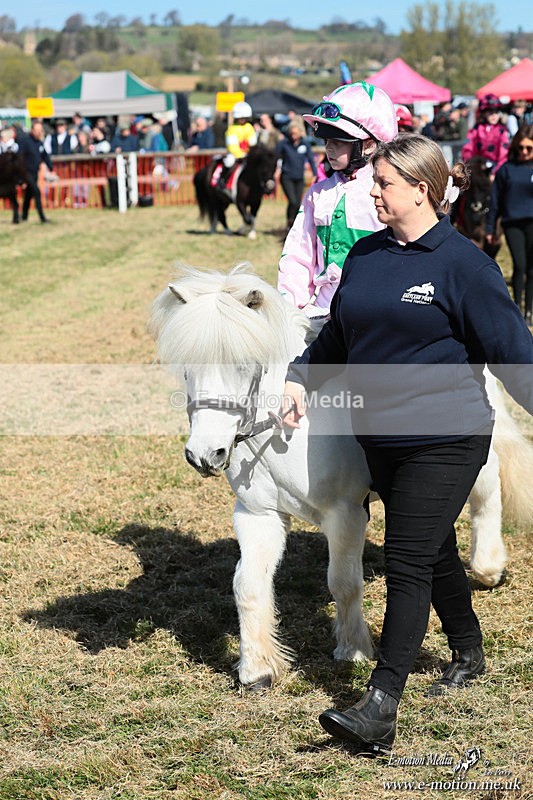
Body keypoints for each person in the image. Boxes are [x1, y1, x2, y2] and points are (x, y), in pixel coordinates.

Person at [281, 133, 533, 755]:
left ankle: (381, 703)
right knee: (432, 548)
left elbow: (514, 356)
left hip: (447, 437)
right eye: (374, 180)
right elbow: (338, 336)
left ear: (423, 190)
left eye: (385, 182)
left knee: (405, 558)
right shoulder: (366, 256)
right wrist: (298, 377)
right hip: (381, 439)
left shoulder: (464, 265)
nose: (373, 190)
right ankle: (469, 648)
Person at [277, 81, 398, 321]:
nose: (329, 149)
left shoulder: (388, 193)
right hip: (321, 312)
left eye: (339, 142)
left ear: (369, 144)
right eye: (326, 141)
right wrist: (288, 310)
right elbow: (298, 255)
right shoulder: (317, 193)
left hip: (375, 315)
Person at [486, 124, 533, 324]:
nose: (524, 152)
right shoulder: (506, 169)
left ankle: (529, 310)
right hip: (512, 222)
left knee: (532, 268)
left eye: (529, 148)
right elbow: (495, 200)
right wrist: (490, 228)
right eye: (520, 148)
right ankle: (517, 308)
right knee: (520, 265)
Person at [276, 119, 317, 232]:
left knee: (297, 203)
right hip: (286, 177)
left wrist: (315, 173)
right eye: (292, 133)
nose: (293, 135)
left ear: (300, 132)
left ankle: (294, 224)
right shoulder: (284, 144)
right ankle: (290, 222)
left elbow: (311, 160)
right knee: (293, 201)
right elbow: (275, 157)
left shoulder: (305, 144)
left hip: (299, 177)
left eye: (296, 133)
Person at [17, 119, 57, 223]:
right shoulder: (25, 141)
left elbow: (45, 156)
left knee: (28, 195)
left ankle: (24, 217)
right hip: (26, 172)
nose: (39, 132)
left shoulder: (39, 142)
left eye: (40, 130)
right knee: (36, 192)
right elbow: (19, 158)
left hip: (34, 172)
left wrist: (51, 168)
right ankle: (42, 218)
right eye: (37, 130)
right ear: (32, 130)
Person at [461, 94, 509, 175]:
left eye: (496, 112)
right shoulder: (477, 129)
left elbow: (504, 154)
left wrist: (496, 171)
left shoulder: (502, 131)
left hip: (496, 169)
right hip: (478, 168)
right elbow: (467, 149)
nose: (494, 116)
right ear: (484, 113)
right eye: (490, 113)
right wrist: (471, 165)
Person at [217, 101, 257, 196]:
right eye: (240, 118)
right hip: (235, 155)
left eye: (244, 118)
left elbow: (253, 143)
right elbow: (232, 146)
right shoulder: (232, 129)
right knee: (229, 162)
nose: (242, 120)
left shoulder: (249, 128)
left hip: (247, 154)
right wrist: (240, 155)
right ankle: (223, 181)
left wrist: (250, 153)